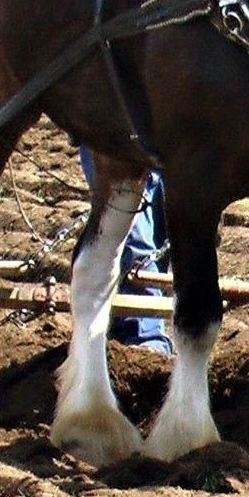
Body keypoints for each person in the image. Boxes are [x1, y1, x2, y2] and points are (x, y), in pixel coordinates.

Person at [79, 147, 173, 356]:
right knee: (132, 231)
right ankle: (145, 337)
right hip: (117, 133)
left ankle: (122, 322)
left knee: (159, 221)